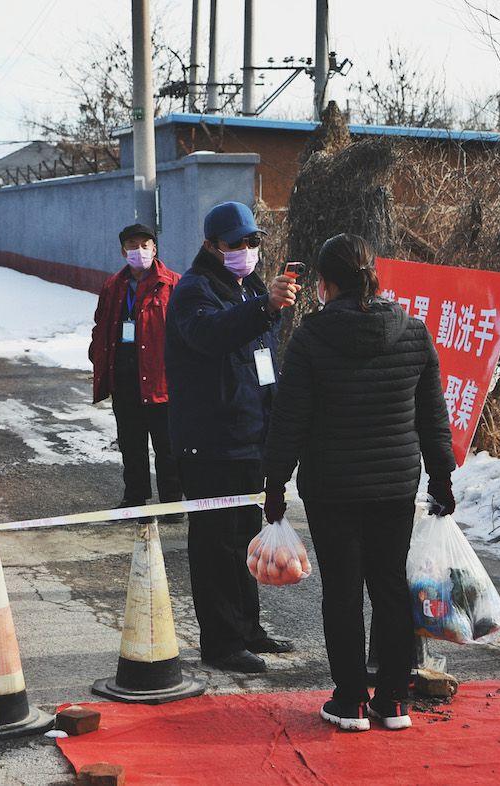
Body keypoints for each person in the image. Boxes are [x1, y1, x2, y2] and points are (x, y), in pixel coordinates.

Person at [261, 233, 455, 732]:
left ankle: (349, 700)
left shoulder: (309, 338)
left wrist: (275, 484)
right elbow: (433, 416)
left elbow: (290, 421)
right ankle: (392, 702)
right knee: (390, 587)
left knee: (343, 592)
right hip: (394, 486)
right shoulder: (413, 333)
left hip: (332, 489)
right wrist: (441, 477)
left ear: (323, 285)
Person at [165, 201, 300, 674]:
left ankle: (248, 628)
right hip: (212, 442)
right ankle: (221, 643)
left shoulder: (250, 287)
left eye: (252, 242)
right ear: (211, 245)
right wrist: (265, 308)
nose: (246, 251)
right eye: (235, 243)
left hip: (250, 437)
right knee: (216, 546)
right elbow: (210, 335)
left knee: (246, 538)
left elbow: (261, 359)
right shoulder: (194, 291)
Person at [89, 224, 183, 519]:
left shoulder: (173, 284)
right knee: (131, 444)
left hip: (161, 381)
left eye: (145, 245)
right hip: (125, 379)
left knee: (167, 446)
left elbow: (184, 331)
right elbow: (101, 325)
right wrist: (98, 356)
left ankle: (171, 502)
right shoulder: (113, 286)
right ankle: (135, 498)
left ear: (154, 249)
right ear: (123, 251)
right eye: (132, 245)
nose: (139, 251)